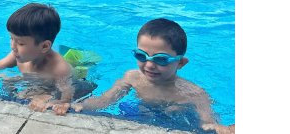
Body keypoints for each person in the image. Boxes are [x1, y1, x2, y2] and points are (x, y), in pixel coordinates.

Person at [55, 18, 235, 134]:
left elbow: (207, 122)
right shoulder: (132, 77)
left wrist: (219, 128)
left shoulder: (194, 93)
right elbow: (105, 100)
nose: (149, 65)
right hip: (140, 113)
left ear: (180, 63)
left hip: (178, 120)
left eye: (161, 59)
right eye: (141, 56)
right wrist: (79, 105)